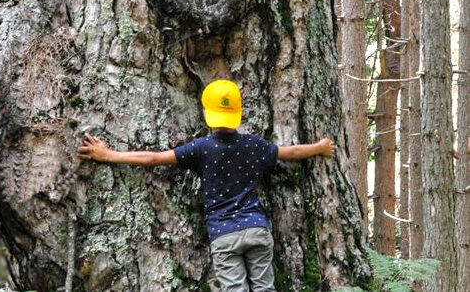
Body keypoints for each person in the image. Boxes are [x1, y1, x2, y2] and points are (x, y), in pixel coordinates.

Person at [77, 79, 335, 292]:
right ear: (238, 112)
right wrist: (320, 148)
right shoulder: (255, 146)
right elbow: (290, 152)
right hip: (256, 229)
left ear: (206, 113)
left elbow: (153, 158)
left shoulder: (201, 149)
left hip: (224, 234)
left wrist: (109, 155)